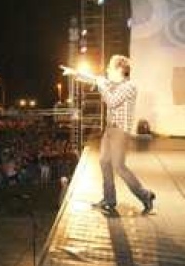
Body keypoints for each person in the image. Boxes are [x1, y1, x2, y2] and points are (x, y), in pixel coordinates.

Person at [62, 55, 156, 214]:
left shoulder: (129, 87)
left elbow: (112, 101)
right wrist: (75, 73)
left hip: (120, 130)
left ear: (120, 69)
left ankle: (145, 195)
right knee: (104, 161)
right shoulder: (112, 83)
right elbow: (93, 78)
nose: (106, 70)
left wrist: (101, 85)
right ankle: (109, 199)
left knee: (119, 166)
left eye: (109, 68)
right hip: (109, 129)